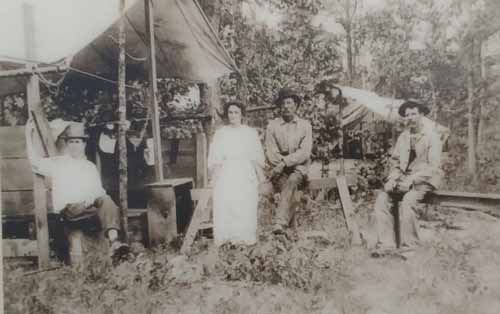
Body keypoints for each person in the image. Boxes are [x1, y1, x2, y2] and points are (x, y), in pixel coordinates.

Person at [25, 119, 129, 258]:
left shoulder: (89, 167)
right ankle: (112, 242)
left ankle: (114, 242)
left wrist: (91, 199)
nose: (74, 146)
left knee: (106, 200)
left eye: (78, 142)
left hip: (87, 210)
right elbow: (34, 162)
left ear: (84, 144)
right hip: (69, 211)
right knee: (98, 203)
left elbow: (98, 192)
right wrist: (27, 134)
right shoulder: (58, 163)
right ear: (67, 144)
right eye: (71, 142)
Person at [371, 99, 443, 249]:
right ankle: (386, 244)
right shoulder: (403, 137)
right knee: (382, 199)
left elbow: (433, 166)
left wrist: (412, 180)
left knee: (408, 201)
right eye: (407, 115)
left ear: (421, 114)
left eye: (413, 114)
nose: (410, 117)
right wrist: (392, 179)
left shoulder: (432, 136)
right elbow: (396, 163)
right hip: (403, 180)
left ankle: (411, 246)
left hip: (424, 180)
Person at [207, 101, 265, 246]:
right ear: (227, 115)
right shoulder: (221, 133)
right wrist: (214, 179)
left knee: (245, 203)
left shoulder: (250, 133)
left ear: (242, 114)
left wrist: (261, 178)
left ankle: (244, 238)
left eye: (236, 112)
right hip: (226, 171)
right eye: (230, 112)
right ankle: (226, 238)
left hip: (245, 171)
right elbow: (216, 157)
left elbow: (256, 157)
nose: (233, 115)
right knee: (226, 202)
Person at [265, 87, 313, 234]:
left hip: (299, 169)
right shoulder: (272, 126)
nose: (286, 107)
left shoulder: (305, 125)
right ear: (280, 106)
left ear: (296, 105)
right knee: (289, 188)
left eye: (290, 103)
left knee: (292, 180)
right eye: (283, 103)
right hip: (279, 171)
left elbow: (304, 152)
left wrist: (285, 162)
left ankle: (279, 222)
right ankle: (290, 232)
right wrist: (280, 165)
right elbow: (271, 153)